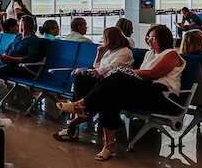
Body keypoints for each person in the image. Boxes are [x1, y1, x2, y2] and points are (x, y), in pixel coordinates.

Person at [57, 25, 185, 161]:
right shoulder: (150, 54)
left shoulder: (171, 54)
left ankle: (82, 106)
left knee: (118, 77)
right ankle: (109, 146)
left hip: (164, 96)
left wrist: (127, 72)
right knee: (111, 96)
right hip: (147, 90)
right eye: (148, 37)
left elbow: (153, 74)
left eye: (152, 38)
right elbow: (143, 75)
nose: (149, 40)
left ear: (162, 39)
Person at [53, 27, 134, 142]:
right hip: (103, 82)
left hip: (112, 85)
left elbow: (111, 68)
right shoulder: (109, 52)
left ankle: (79, 112)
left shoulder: (125, 52)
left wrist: (91, 71)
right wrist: (99, 53)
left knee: (83, 77)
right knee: (80, 77)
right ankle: (81, 108)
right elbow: (98, 67)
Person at [0, 15, 46, 80]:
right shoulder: (19, 36)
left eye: (18, 24)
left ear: (23, 26)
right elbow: (9, 47)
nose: (17, 26)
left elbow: (31, 58)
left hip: (19, 67)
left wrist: (11, 59)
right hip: (8, 63)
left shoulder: (33, 40)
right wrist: (5, 55)